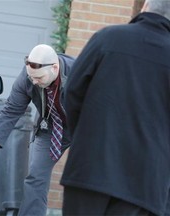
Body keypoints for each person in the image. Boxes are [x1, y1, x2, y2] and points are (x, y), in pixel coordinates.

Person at [61, 0, 170, 215]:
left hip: (89, 168)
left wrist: (84, 138)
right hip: (144, 182)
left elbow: (71, 92)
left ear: (145, 6)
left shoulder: (107, 37)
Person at [0, 44, 76, 215]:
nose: (34, 82)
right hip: (51, 127)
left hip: (85, 129)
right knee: (35, 177)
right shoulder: (28, 77)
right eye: (31, 78)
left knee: (85, 180)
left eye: (39, 78)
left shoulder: (79, 72)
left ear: (55, 68)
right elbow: (11, 110)